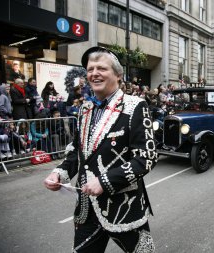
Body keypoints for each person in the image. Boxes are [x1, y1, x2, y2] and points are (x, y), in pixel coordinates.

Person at [44, 46, 157, 252]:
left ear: (118, 75)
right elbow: (76, 151)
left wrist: (105, 181)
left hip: (125, 207)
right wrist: (59, 173)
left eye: (102, 68)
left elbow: (146, 158)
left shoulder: (136, 106)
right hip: (87, 209)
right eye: (90, 69)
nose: (94, 73)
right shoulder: (84, 109)